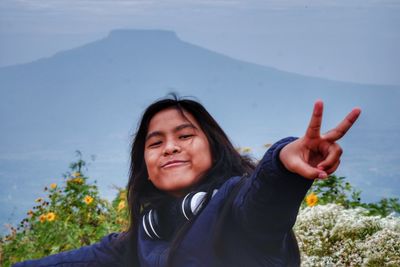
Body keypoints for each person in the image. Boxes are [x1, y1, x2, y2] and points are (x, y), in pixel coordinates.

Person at [14, 94, 361, 267]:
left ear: (214, 147)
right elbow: (76, 261)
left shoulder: (236, 211)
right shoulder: (148, 231)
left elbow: (264, 198)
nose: (169, 148)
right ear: (144, 164)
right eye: (155, 142)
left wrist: (285, 161)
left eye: (185, 136)